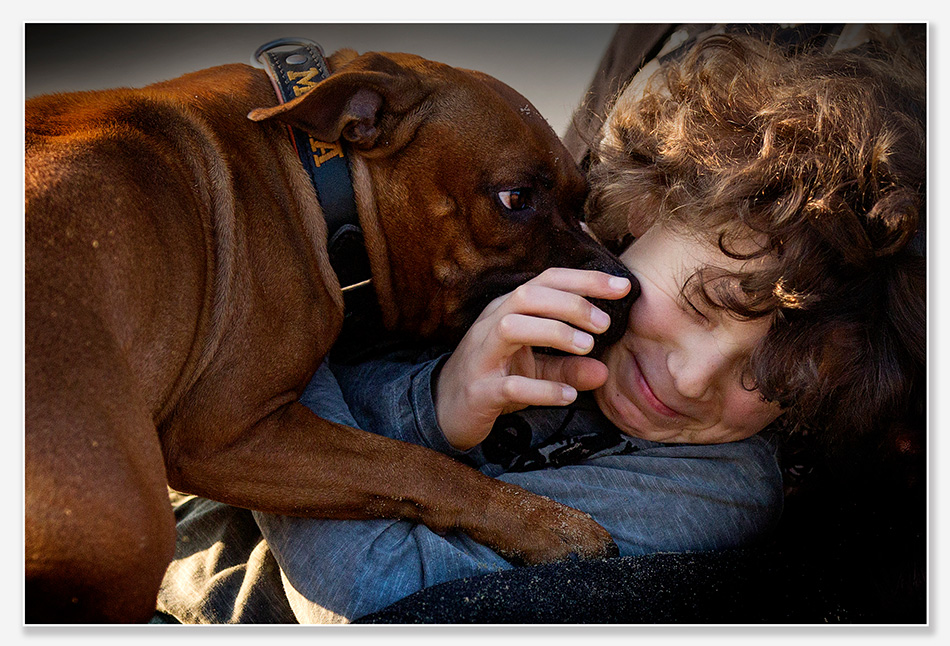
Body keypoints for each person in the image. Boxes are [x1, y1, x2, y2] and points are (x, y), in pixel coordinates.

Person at [156, 26, 925, 624]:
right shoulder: (497, 267)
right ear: (642, 211)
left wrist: (262, 356)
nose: (691, 379)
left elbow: (377, 595)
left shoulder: (712, 488)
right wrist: (438, 401)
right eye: (698, 303)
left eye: (769, 380)